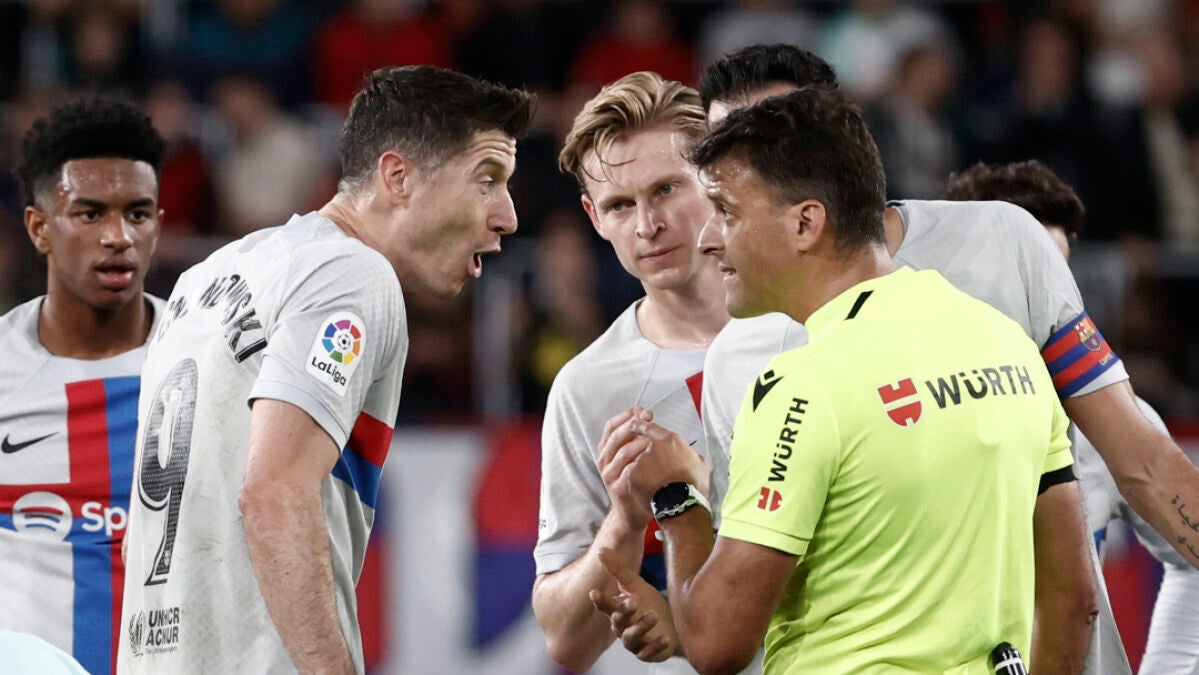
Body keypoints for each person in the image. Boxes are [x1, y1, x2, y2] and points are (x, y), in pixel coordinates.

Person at [595, 45, 1105, 673]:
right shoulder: (1006, 344)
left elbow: (717, 643)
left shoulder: (801, 389)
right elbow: (1075, 600)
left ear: (805, 223)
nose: (707, 238)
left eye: (726, 211)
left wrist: (675, 497)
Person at [698, 42, 1199, 582]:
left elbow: (1143, 462)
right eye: (725, 147)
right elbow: (752, 584)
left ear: (845, 133)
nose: (747, 165)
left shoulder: (1005, 240)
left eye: (773, 137)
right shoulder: (736, 358)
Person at [117, 65, 533, 674]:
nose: (508, 216)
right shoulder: (353, 275)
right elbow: (275, 492)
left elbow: (143, 526)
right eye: (487, 180)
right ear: (398, 177)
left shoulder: (209, 275)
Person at [943, 160, 1199, 675]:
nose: (1046, 307)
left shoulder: (1113, 428)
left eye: (1056, 278)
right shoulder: (895, 414)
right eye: (1024, 280)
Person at [532, 71, 742, 674]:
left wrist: (684, 628)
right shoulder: (587, 386)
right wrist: (624, 520)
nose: (648, 225)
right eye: (620, 205)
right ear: (594, 218)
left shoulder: (811, 327)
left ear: (715, 178)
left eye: (666, 189)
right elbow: (566, 642)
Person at [0, 98, 166, 675]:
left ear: (158, 223)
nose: (118, 237)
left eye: (137, 214)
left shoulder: (208, 359)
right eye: (90, 214)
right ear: (39, 228)